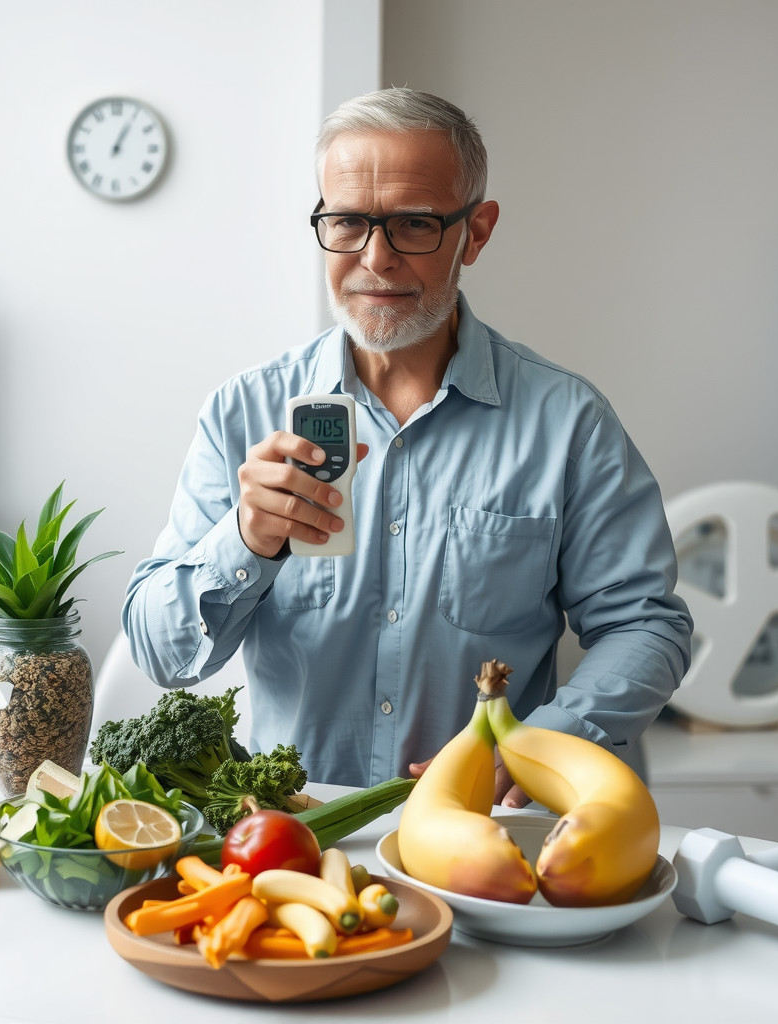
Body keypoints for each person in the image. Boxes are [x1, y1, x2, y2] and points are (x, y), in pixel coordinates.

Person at [124, 87, 691, 803]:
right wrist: (247, 538)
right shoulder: (244, 410)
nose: (376, 258)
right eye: (347, 222)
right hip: (290, 832)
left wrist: (547, 744)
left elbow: (645, 625)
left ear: (475, 233)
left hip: (485, 828)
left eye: (414, 225)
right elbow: (158, 653)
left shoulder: (568, 423)